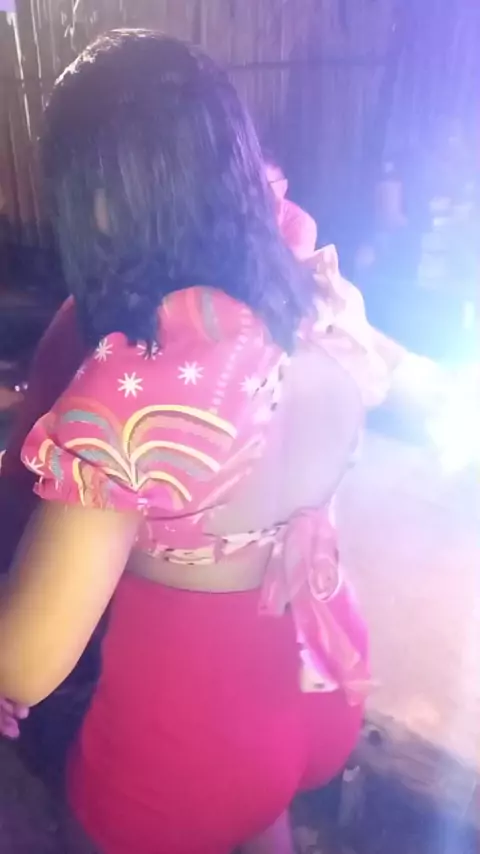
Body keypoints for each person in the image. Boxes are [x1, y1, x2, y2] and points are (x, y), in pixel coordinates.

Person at [0, 31, 370, 854]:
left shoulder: (138, 395)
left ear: (98, 202)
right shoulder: (312, 290)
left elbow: (25, 663)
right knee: (258, 813)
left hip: (185, 743)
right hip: (313, 673)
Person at [264, 154, 317, 259]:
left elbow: (292, 266)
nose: (260, 192)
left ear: (283, 186)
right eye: (255, 185)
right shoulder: (243, 216)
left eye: (267, 186)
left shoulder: (302, 223)